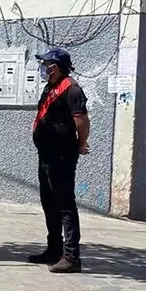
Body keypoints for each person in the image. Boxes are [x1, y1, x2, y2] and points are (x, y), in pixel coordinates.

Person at [28, 48, 90, 273]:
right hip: (46, 154)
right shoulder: (51, 87)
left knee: (64, 204)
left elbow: (81, 120)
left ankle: (72, 256)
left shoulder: (71, 89)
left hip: (61, 155)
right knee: (49, 202)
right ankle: (53, 249)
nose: (43, 68)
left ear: (56, 66)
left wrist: (81, 143)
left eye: (46, 64)